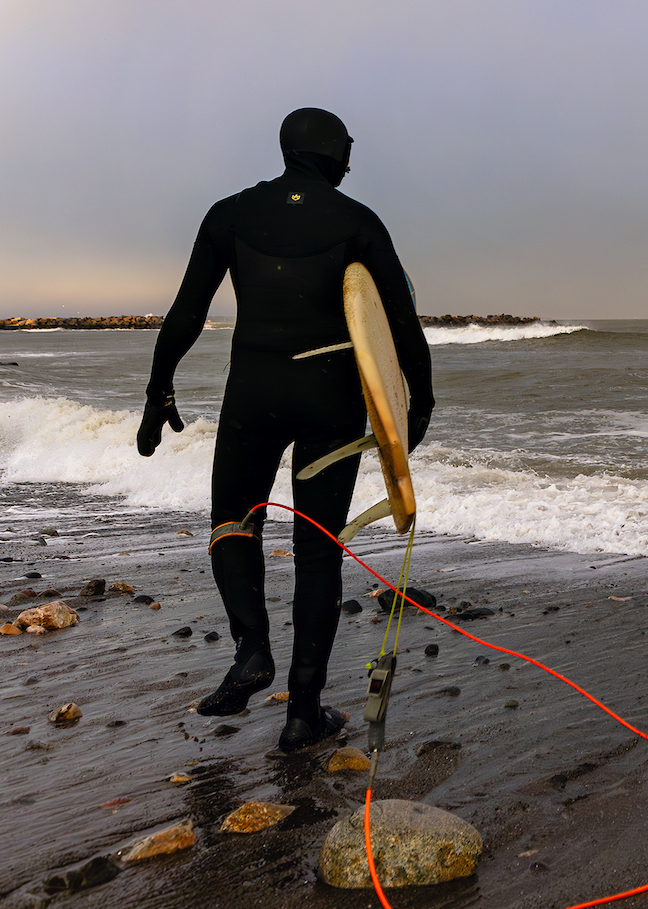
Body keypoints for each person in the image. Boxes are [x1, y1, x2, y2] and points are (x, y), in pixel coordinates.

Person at [136, 108, 433, 751]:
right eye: (347, 147)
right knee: (317, 549)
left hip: (254, 394)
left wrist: (158, 392)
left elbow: (186, 312)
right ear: (330, 151)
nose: (351, 158)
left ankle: (250, 650)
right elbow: (402, 325)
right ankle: (303, 713)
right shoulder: (359, 222)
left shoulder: (229, 214)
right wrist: (417, 404)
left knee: (232, 521)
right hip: (331, 403)